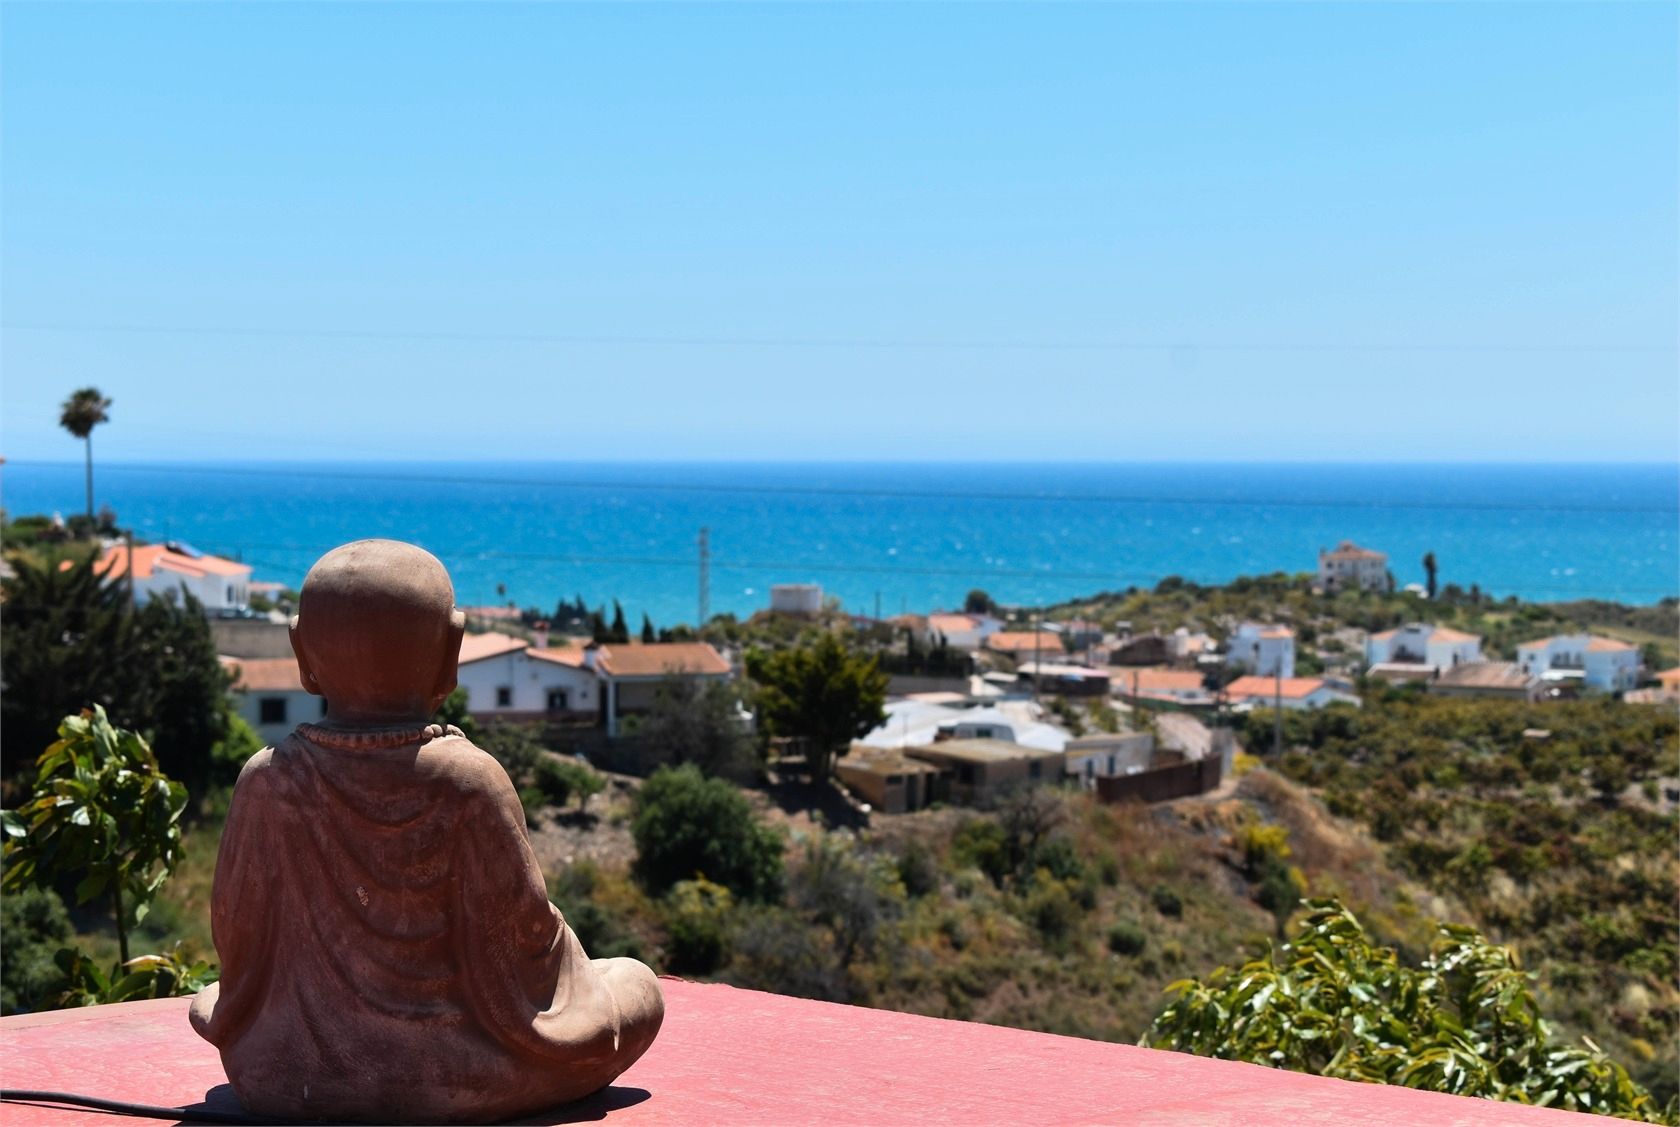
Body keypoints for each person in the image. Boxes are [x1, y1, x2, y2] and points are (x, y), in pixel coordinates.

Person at [189, 539, 663, 1123]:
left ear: (302, 653)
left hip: (285, 1076)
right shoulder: (469, 778)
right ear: (451, 651)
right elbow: (525, 934)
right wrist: (569, 963)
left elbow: (236, 940)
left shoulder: (266, 779)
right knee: (636, 985)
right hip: (456, 1074)